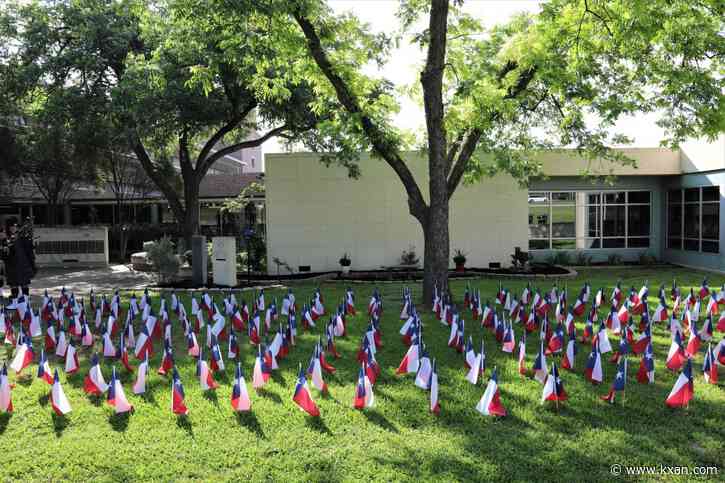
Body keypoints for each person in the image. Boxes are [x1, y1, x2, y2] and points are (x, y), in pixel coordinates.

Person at [0, 216, 36, 299]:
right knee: (13, 282)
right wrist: (5, 247)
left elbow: (29, 247)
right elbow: (3, 251)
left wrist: (33, 244)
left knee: (24, 282)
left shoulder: (22, 235)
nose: (13, 228)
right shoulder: (5, 237)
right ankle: (15, 299)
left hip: (22, 261)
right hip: (10, 263)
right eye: (10, 226)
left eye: (14, 226)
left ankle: (25, 299)